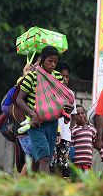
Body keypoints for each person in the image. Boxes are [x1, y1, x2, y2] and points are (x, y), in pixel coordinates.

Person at [15, 46, 72, 174]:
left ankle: (24, 186)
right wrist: (31, 113)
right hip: (36, 123)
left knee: (38, 159)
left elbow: (62, 97)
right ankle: (45, 191)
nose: (52, 65)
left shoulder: (57, 76)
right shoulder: (31, 77)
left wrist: (69, 107)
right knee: (45, 157)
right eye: (49, 61)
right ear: (42, 60)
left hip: (52, 123)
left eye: (55, 62)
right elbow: (19, 99)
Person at [70, 105, 103, 176]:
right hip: (76, 164)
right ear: (73, 117)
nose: (81, 115)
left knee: (85, 184)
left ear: (86, 114)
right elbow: (71, 146)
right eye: (77, 114)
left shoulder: (92, 129)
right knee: (76, 183)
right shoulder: (74, 130)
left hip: (87, 164)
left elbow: (97, 144)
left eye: (82, 113)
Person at [54, 60, 73, 177]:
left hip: (65, 136)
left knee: (64, 167)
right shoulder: (51, 92)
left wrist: (69, 133)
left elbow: (72, 116)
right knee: (51, 166)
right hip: (53, 133)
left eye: (67, 76)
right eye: (62, 76)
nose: (65, 79)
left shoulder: (70, 93)